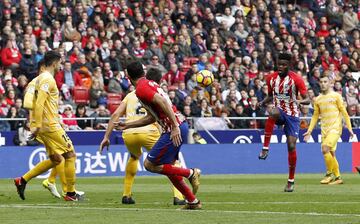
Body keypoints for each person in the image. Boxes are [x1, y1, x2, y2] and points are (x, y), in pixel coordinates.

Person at [118, 61, 201, 210]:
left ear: (128, 76)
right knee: (168, 169)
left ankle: (191, 173)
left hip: (173, 127)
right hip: (177, 125)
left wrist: (174, 126)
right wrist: (128, 125)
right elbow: (152, 117)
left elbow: (162, 101)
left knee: (150, 165)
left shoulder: (141, 89)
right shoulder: (149, 84)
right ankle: (192, 201)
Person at [99, 68, 186, 205]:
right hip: (149, 132)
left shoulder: (130, 95)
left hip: (129, 134)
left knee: (134, 157)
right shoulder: (154, 92)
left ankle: (126, 195)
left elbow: (115, 115)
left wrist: (106, 136)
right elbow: (156, 116)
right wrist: (172, 127)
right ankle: (179, 196)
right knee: (171, 161)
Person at [14, 51, 79, 201]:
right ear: (55, 63)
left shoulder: (35, 81)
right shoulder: (48, 79)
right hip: (49, 125)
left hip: (43, 125)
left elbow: (28, 103)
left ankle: (22, 180)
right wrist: (36, 124)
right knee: (70, 154)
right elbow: (40, 102)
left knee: (56, 159)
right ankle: (71, 193)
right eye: (61, 62)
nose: (61, 65)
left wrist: (34, 123)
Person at [258, 53, 310, 192]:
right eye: (278, 64)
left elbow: (308, 99)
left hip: (292, 116)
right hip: (279, 111)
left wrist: (299, 101)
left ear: (288, 65)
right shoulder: (271, 78)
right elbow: (271, 96)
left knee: (292, 146)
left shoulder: (296, 79)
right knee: (273, 111)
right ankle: (265, 148)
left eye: (283, 65)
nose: (280, 67)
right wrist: (262, 102)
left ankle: (290, 181)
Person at [303, 74, 354, 185]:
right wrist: (309, 130)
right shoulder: (318, 99)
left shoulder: (336, 96)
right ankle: (338, 177)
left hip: (335, 129)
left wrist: (349, 128)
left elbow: (344, 112)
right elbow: (315, 116)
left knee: (325, 148)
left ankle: (328, 174)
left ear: (330, 83)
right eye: (321, 82)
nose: (323, 84)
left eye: (325, 82)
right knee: (331, 154)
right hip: (324, 130)